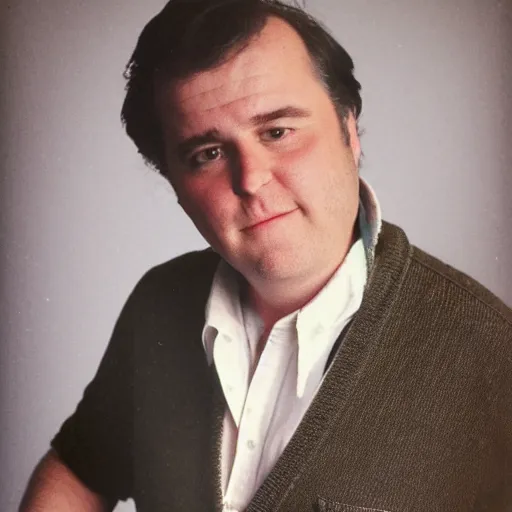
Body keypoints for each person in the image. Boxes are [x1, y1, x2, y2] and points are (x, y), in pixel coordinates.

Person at [20, 0, 512, 511]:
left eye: (278, 132)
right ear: (175, 184)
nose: (250, 179)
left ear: (349, 129)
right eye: (207, 154)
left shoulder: (493, 357)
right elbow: (79, 467)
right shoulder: (159, 305)